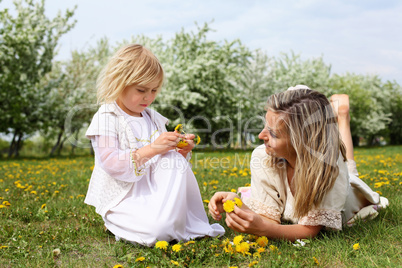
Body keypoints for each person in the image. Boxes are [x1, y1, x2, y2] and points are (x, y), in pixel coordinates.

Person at [84, 44, 224, 246]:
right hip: (124, 197)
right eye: (141, 90)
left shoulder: (153, 119)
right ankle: (121, 222)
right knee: (157, 231)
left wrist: (180, 151)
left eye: (154, 90)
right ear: (119, 83)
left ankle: (169, 221)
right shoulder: (108, 117)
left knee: (173, 159)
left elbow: (164, 165)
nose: (148, 97)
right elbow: (111, 163)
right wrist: (153, 148)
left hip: (156, 195)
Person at [209, 86, 388, 241]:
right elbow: (268, 217)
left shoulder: (328, 170)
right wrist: (238, 205)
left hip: (344, 189)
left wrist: (264, 229)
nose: (260, 136)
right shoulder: (262, 156)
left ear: (301, 143)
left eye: (273, 133)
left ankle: (342, 115)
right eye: (265, 126)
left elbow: (310, 229)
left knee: (349, 167)